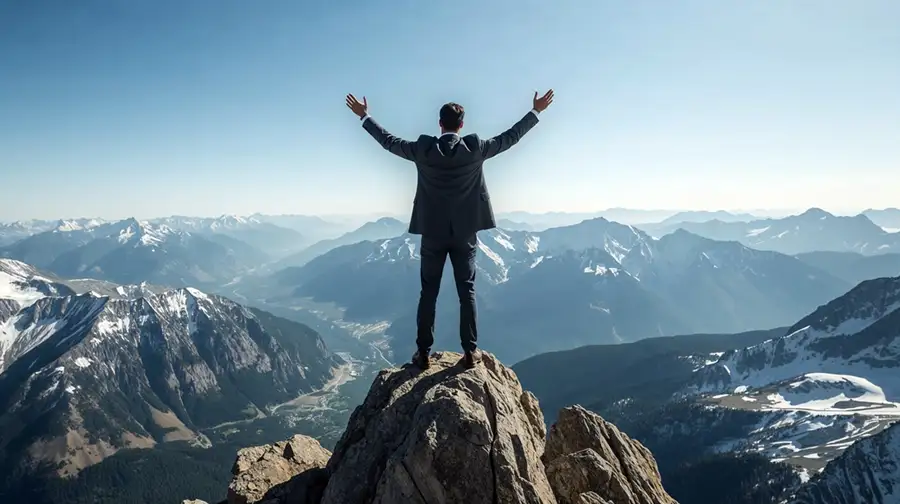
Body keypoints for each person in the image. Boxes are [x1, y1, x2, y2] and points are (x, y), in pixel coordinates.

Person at [345, 90, 554, 369]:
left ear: (439, 124)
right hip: (465, 233)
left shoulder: (424, 149)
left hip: (432, 232)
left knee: (428, 292)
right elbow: (510, 137)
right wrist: (535, 111)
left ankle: (422, 354)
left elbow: (388, 142)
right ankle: (470, 352)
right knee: (466, 290)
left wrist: (364, 116)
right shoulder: (475, 148)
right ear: (462, 125)